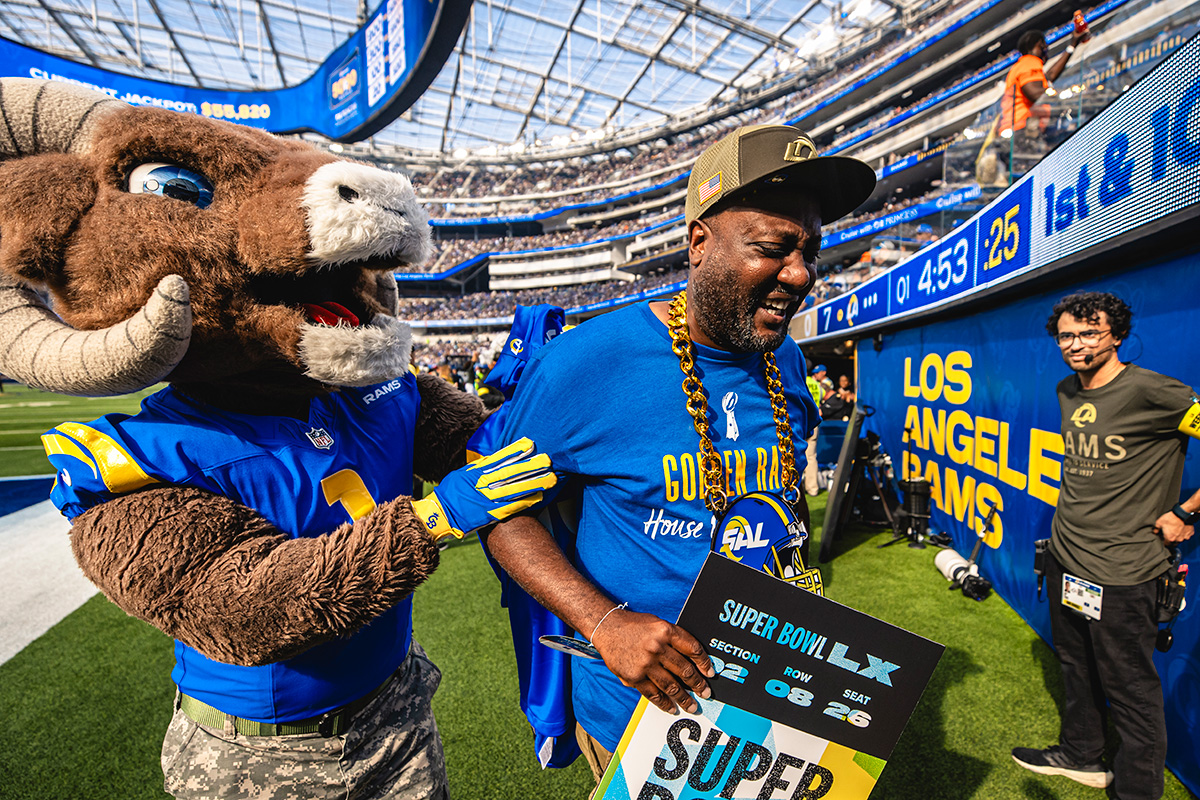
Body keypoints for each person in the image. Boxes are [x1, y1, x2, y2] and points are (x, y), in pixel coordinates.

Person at [482, 124, 876, 785]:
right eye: (772, 248)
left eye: (810, 251)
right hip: (644, 717)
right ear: (699, 243)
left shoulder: (784, 357)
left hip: (771, 700)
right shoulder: (587, 361)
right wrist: (605, 623)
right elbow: (499, 512)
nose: (800, 274)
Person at [1012, 292, 1199, 799]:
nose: (1076, 344)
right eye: (1066, 336)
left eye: (1089, 333)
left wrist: (1186, 512)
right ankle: (1081, 755)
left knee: (1131, 690)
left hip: (1124, 571)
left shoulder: (1153, 391)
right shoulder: (1067, 389)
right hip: (1066, 557)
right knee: (1076, 667)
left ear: (1116, 335)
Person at [997, 21, 1091, 142]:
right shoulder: (1029, 61)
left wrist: (1071, 46)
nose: (1046, 49)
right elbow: (1034, 93)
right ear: (1039, 44)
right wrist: (1062, 97)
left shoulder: (1021, 66)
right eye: (1044, 46)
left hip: (1020, 130)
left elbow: (1050, 76)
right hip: (1023, 129)